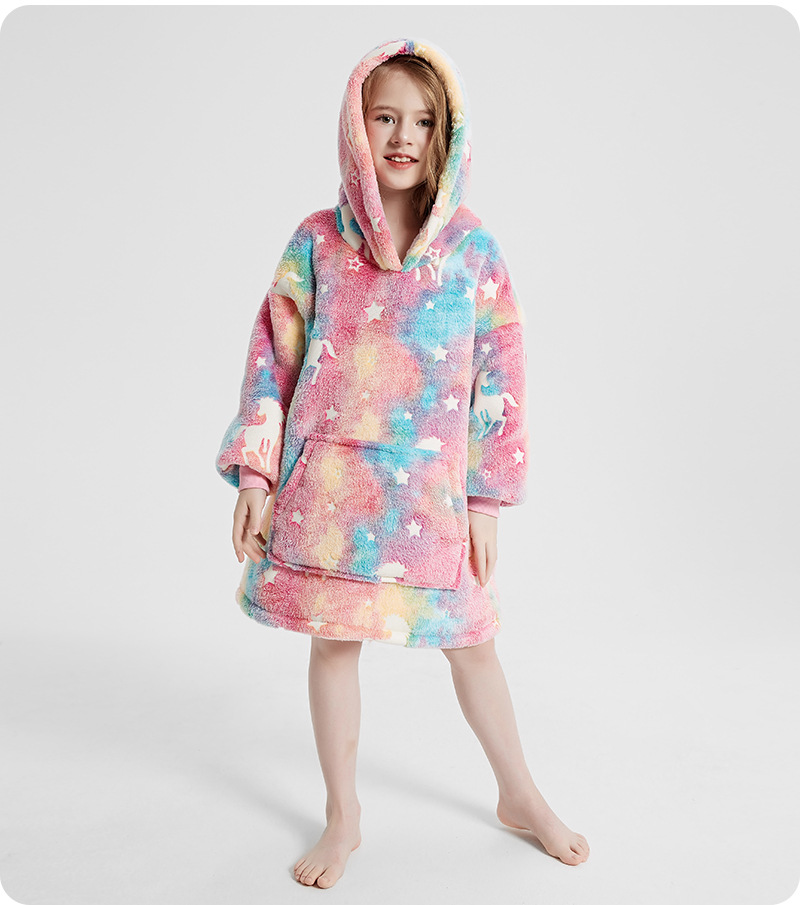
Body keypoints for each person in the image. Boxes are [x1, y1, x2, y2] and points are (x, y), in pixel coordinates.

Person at [216, 37, 590, 889]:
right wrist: (257, 474)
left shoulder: (472, 251)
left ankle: (520, 792)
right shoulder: (316, 242)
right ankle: (342, 814)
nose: (402, 137)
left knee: (473, 643)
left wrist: (486, 500)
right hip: (331, 497)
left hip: (431, 501)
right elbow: (273, 358)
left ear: (445, 135)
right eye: (384, 117)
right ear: (356, 126)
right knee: (334, 646)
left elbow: (500, 375)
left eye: (422, 122)